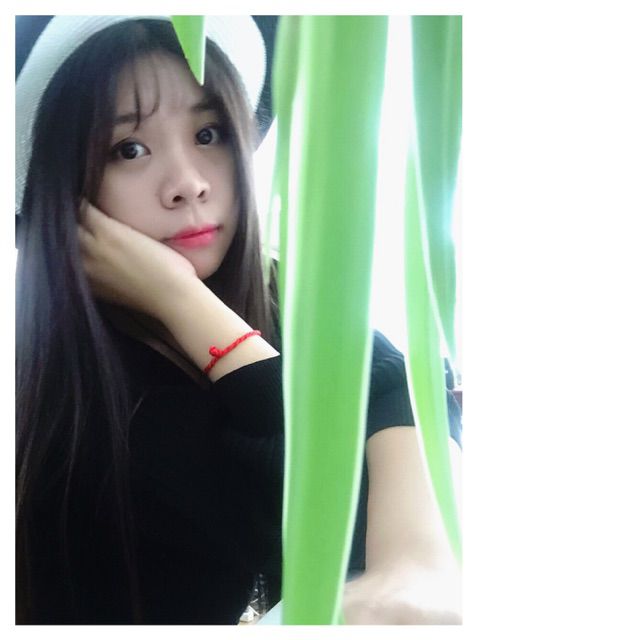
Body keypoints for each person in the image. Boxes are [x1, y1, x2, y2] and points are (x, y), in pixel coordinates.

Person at [15, 16, 462, 624]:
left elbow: (400, 392)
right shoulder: (38, 382)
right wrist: (185, 305)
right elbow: (326, 527)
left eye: (210, 134)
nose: (188, 184)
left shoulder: (297, 319)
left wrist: (416, 560)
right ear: (64, 190)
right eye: (128, 149)